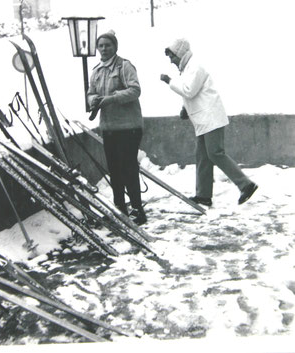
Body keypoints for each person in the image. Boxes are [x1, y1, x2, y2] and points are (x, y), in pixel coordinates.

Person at [160, 38, 258, 208]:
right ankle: (203, 195)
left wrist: (169, 81)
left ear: (180, 54)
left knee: (215, 153)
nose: (171, 61)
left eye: (172, 57)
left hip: (211, 118)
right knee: (203, 156)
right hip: (203, 120)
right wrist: (185, 109)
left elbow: (189, 91)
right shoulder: (187, 70)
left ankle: (246, 185)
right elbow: (191, 93)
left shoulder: (195, 67)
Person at [87, 30, 147, 225]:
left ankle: (138, 210)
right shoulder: (96, 71)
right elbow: (89, 94)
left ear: (115, 47)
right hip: (109, 128)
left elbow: (135, 90)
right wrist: (93, 100)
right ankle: (120, 209)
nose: (104, 49)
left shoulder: (124, 66)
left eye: (108, 45)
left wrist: (111, 99)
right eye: (101, 46)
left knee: (129, 168)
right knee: (114, 169)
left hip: (129, 127)